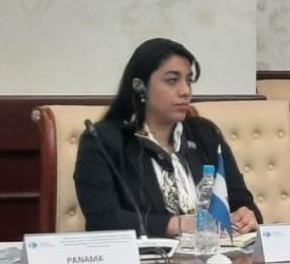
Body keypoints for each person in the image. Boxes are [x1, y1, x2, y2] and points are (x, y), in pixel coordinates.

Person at [74, 38, 262, 238]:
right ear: (140, 86)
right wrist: (177, 225)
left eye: (189, 81)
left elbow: (242, 202)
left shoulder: (205, 134)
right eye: (172, 80)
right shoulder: (103, 141)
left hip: (215, 254)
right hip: (147, 256)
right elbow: (102, 219)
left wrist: (246, 217)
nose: (185, 91)